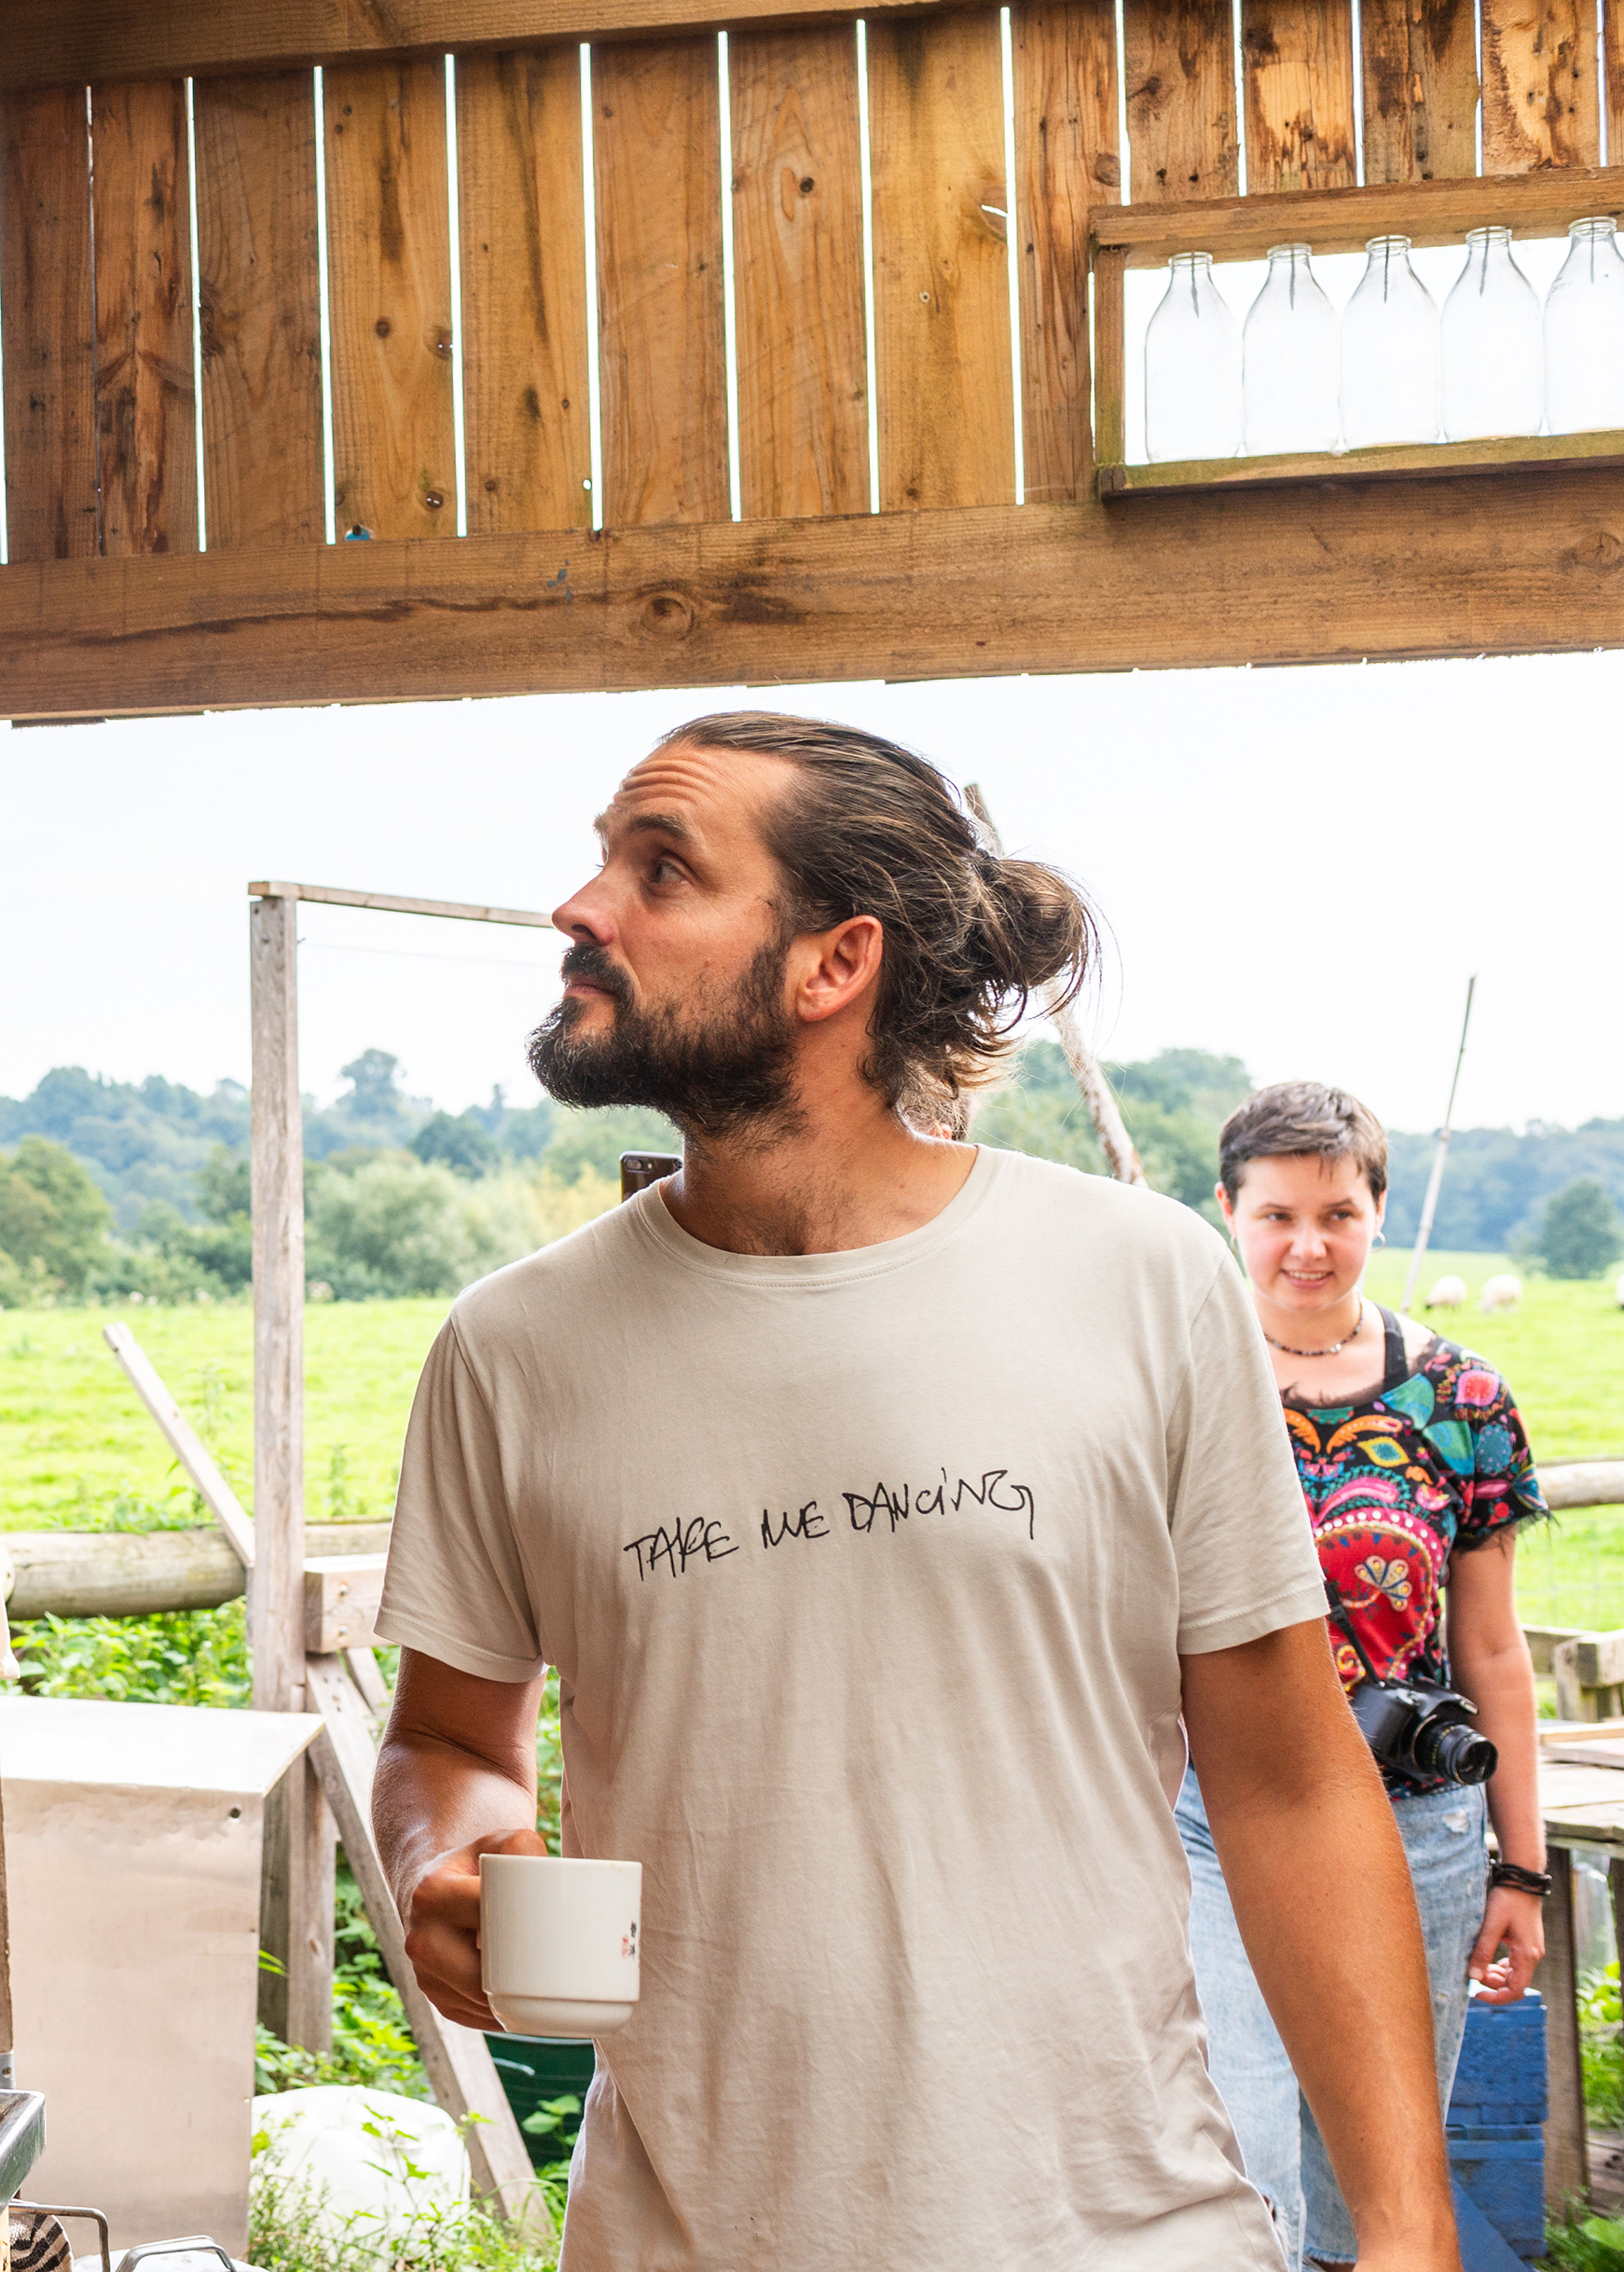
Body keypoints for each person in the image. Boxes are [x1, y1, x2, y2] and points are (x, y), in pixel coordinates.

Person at [367, 710, 1454, 2271]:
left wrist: (1409, 2233)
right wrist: (450, 1852)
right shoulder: (512, 1347)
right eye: (604, 859)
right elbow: (450, 1740)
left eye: (661, 870)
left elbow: (1286, 1779)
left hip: (1123, 2233)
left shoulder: (1143, 1278)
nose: (581, 907)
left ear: (836, 961)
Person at [1182, 1081, 1545, 2265]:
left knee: (1375, 2176)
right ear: (1228, 1210)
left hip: (1418, 1828)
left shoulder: (1463, 1399)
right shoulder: (1180, 1380)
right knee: (1242, 2152)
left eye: (1337, 1212)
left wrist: (1520, 1868)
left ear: (1377, 1210)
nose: (1308, 1244)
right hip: (1217, 1817)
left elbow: (1490, 1647)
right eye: (1277, 1214)